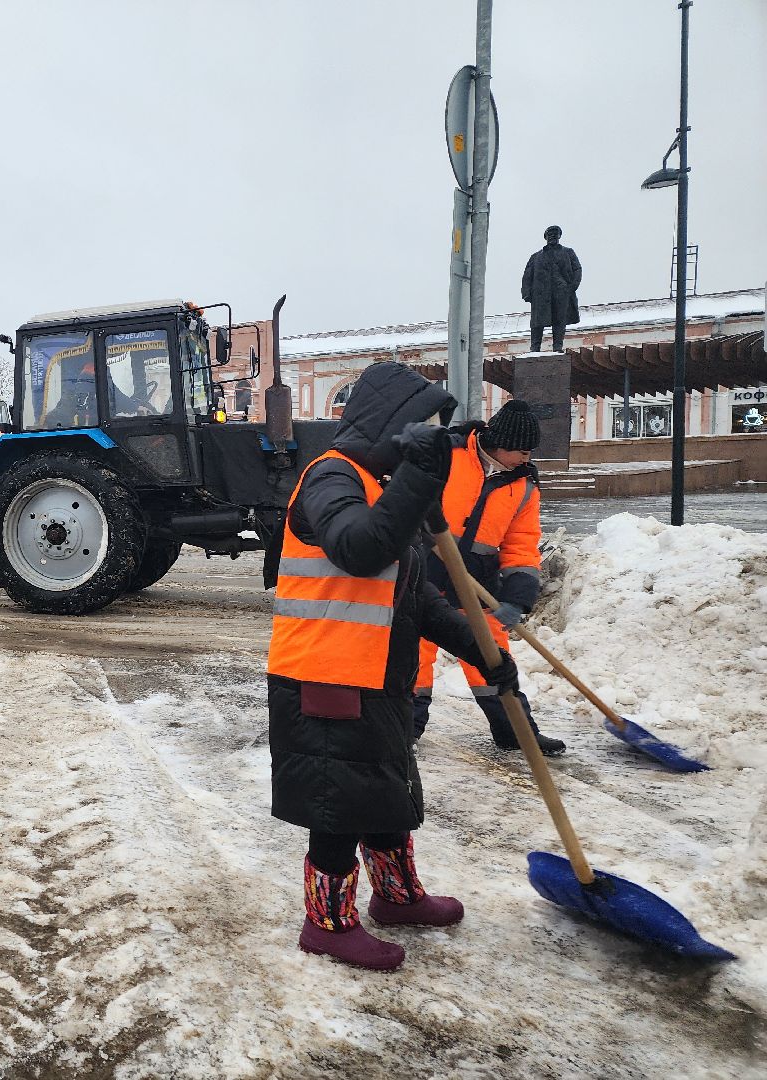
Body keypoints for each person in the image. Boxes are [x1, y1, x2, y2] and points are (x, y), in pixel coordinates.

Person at [268, 361, 519, 972]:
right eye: (419, 428)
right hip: (325, 676)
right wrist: (419, 479)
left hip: (375, 674)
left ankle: (397, 895)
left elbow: (418, 599)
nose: (426, 440)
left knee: (382, 786)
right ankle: (326, 922)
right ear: (388, 424)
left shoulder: (382, 488)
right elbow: (359, 549)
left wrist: (484, 649)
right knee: (340, 800)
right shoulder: (330, 477)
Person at [413, 401, 565, 756]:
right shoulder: (446, 454)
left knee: (493, 662)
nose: (526, 459)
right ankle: (404, 732)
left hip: (477, 583)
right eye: (522, 450)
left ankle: (517, 733)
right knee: (413, 661)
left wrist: (518, 596)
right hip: (425, 574)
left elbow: (521, 544)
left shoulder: (524, 486)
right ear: (499, 442)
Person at [521, 225, 582, 353]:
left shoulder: (568, 252)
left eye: (556, 233)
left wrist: (572, 287)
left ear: (559, 236)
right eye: (550, 233)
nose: (553, 235)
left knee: (559, 320)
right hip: (541, 294)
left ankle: (557, 347)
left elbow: (577, 269)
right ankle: (534, 347)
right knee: (537, 322)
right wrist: (526, 293)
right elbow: (527, 275)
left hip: (561, 292)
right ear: (546, 237)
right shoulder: (536, 257)